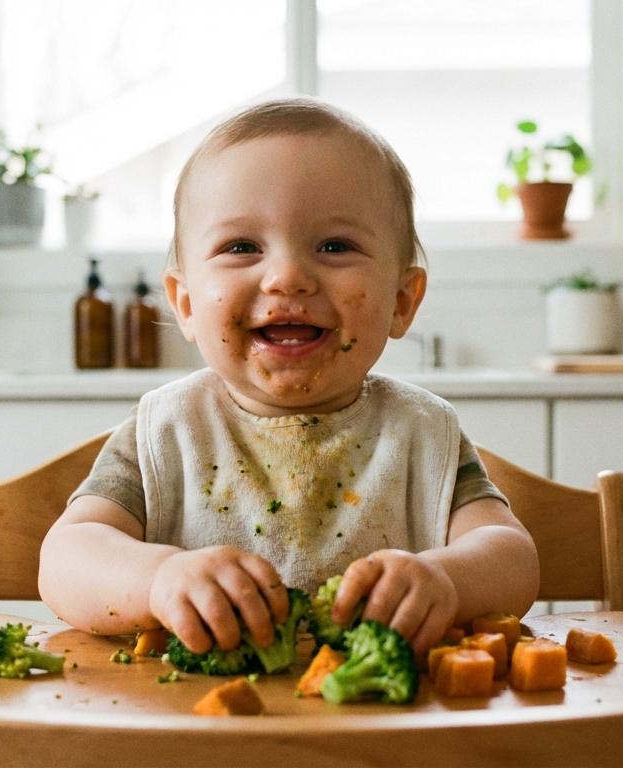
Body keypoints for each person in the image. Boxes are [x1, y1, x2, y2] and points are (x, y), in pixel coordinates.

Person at [38, 98, 539, 658]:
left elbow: (511, 556)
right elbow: (66, 558)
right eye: (241, 247)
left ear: (402, 300)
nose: (287, 277)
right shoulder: (166, 431)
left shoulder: (422, 432)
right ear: (183, 302)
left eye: (334, 246)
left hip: (384, 735)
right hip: (190, 732)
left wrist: (446, 580)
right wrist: (159, 579)